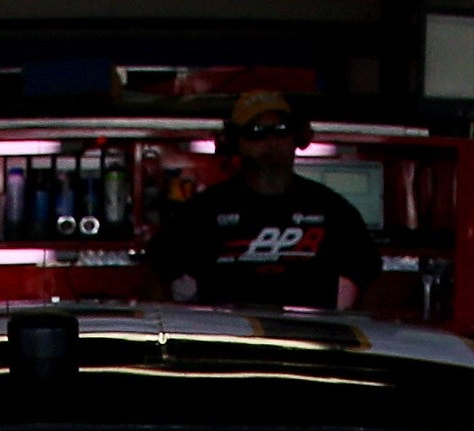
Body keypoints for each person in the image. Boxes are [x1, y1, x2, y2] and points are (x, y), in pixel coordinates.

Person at [141, 88, 379, 313]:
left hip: (308, 348)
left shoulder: (331, 209)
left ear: (297, 137)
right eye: (256, 132)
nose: (271, 142)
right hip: (227, 348)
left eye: (281, 130)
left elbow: (372, 276)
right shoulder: (204, 210)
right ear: (235, 142)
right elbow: (155, 270)